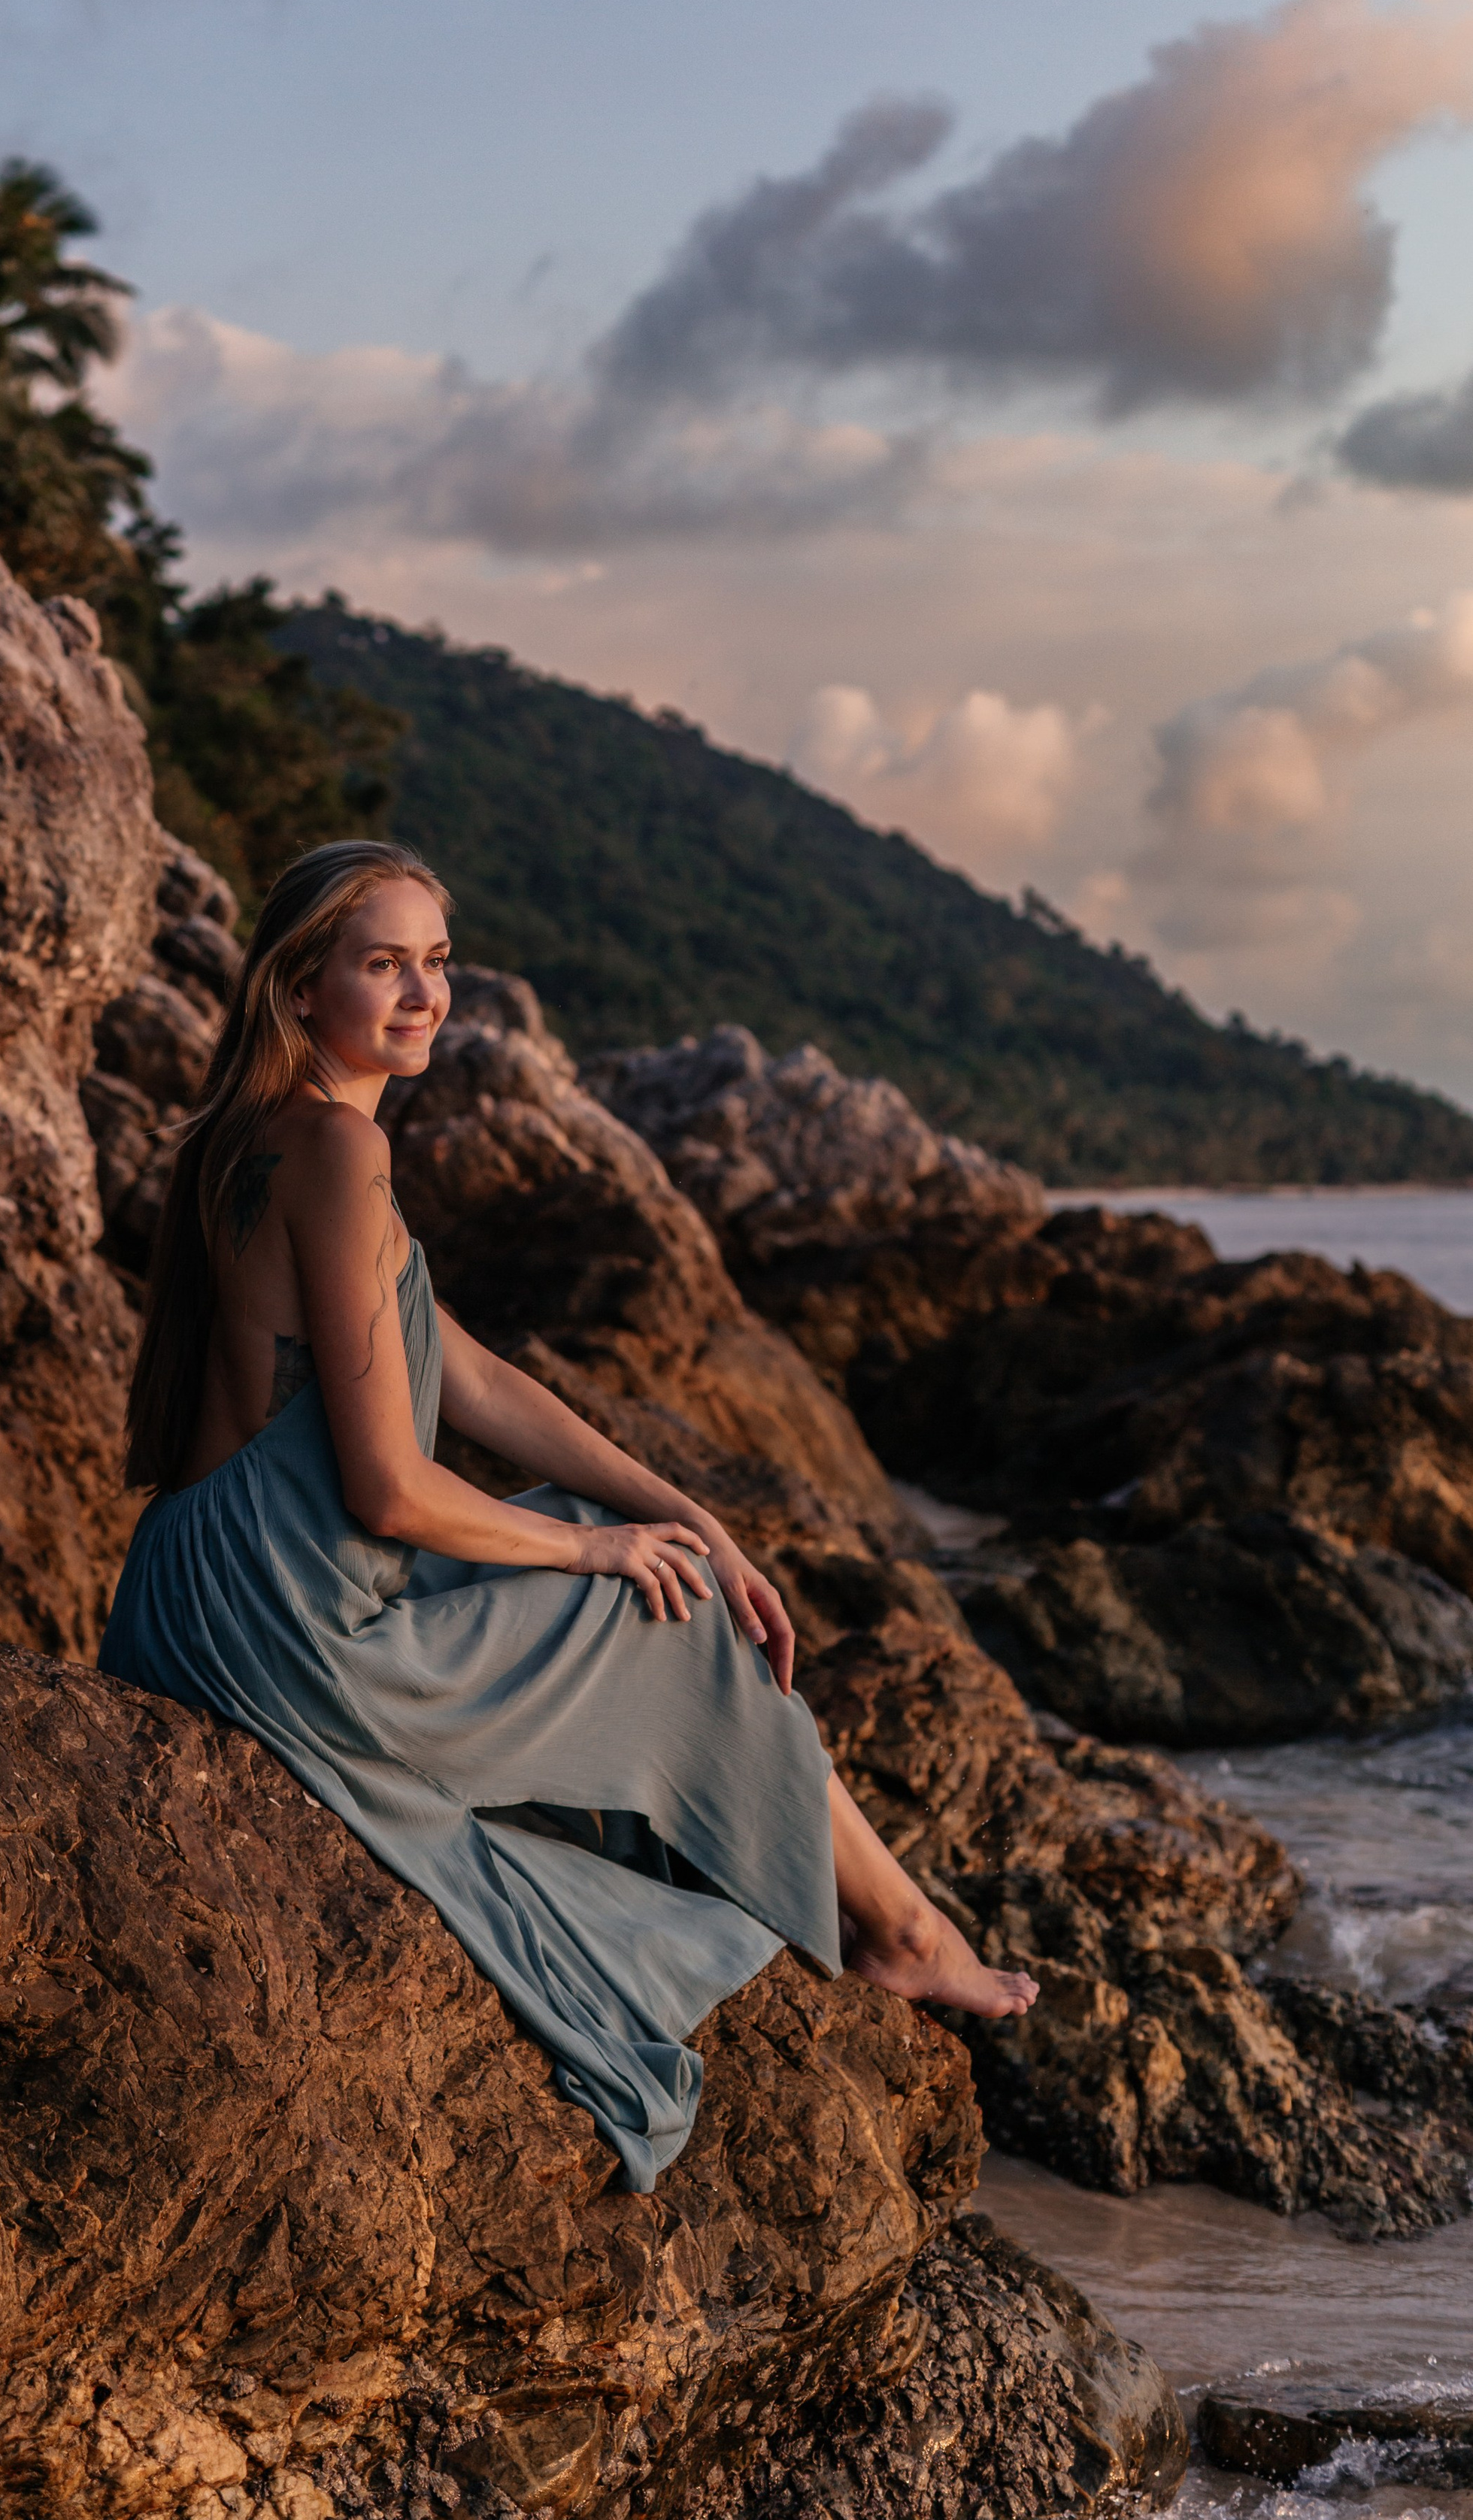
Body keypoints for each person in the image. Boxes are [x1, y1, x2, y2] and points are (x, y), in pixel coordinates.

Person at [102, 838, 1035, 2188]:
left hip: (199, 1587)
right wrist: (605, 1548)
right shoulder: (338, 1147)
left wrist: (684, 1511)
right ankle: (902, 1932)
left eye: (437, 961)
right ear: (302, 986)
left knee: (660, 1560)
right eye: (384, 965)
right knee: (664, 1606)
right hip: (296, 1627)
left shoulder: (256, 1134)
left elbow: (471, 1373)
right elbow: (389, 1487)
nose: (424, 994)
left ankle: (889, 1918)